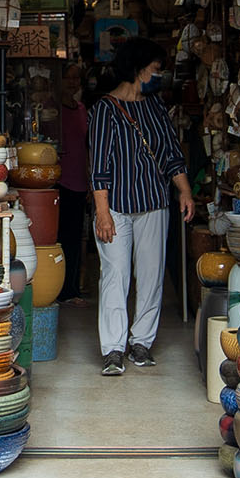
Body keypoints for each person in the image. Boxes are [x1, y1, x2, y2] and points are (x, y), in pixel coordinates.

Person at [88, 36, 193, 376]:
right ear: (138, 68)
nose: (157, 74)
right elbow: (98, 166)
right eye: (154, 68)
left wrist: (185, 191)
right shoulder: (104, 109)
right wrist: (101, 212)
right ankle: (113, 349)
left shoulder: (155, 106)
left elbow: (171, 154)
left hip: (153, 203)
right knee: (115, 276)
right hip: (115, 206)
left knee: (150, 276)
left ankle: (141, 343)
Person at [54, 63, 90, 307]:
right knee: (60, 238)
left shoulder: (81, 109)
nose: (73, 82)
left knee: (75, 239)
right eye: (68, 77)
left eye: (77, 78)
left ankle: (71, 289)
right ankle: (62, 290)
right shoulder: (53, 110)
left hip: (80, 182)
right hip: (59, 180)